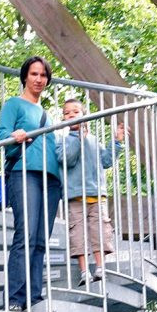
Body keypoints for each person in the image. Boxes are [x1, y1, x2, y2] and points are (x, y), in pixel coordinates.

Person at [0, 56, 62, 312]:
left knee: (41, 240)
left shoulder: (47, 114)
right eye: (34, 74)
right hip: (25, 173)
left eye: (43, 75)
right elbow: (2, 135)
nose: (39, 79)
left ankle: (34, 296)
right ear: (25, 76)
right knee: (26, 235)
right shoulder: (14, 104)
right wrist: (14, 136)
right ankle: (15, 297)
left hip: (51, 179)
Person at [56, 98, 125, 286]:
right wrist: (79, 140)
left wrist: (116, 142)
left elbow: (106, 161)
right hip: (75, 197)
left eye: (75, 112)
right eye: (67, 113)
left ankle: (100, 268)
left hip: (96, 194)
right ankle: (84, 271)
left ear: (84, 116)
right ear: (63, 119)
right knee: (77, 233)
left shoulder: (94, 140)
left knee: (100, 230)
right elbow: (67, 159)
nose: (71, 115)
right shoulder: (62, 141)